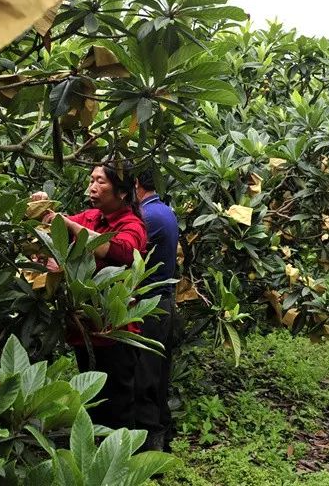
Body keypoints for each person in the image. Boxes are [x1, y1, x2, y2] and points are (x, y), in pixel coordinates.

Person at [31, 162, 147, 429]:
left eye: (100, 181)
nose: (92, 187)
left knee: (117, 405)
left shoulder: (133, 225)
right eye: (91, 180)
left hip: (114, 332)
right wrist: (41, 207)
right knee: (92, 403)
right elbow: (56, 223)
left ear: (122, 192)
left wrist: (69, 226)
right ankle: (94, 459)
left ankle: (120, 462)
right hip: (83, 328)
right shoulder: (92, 217)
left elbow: (122, 252)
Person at [133, 167, 179, 451]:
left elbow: (119, 248)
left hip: (152, 306)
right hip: (162, 303)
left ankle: (152, 447)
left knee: (146, 378)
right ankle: (164, 436)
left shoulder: (149, 217)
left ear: (136, 183)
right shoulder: (163, 210)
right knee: (158, 375)